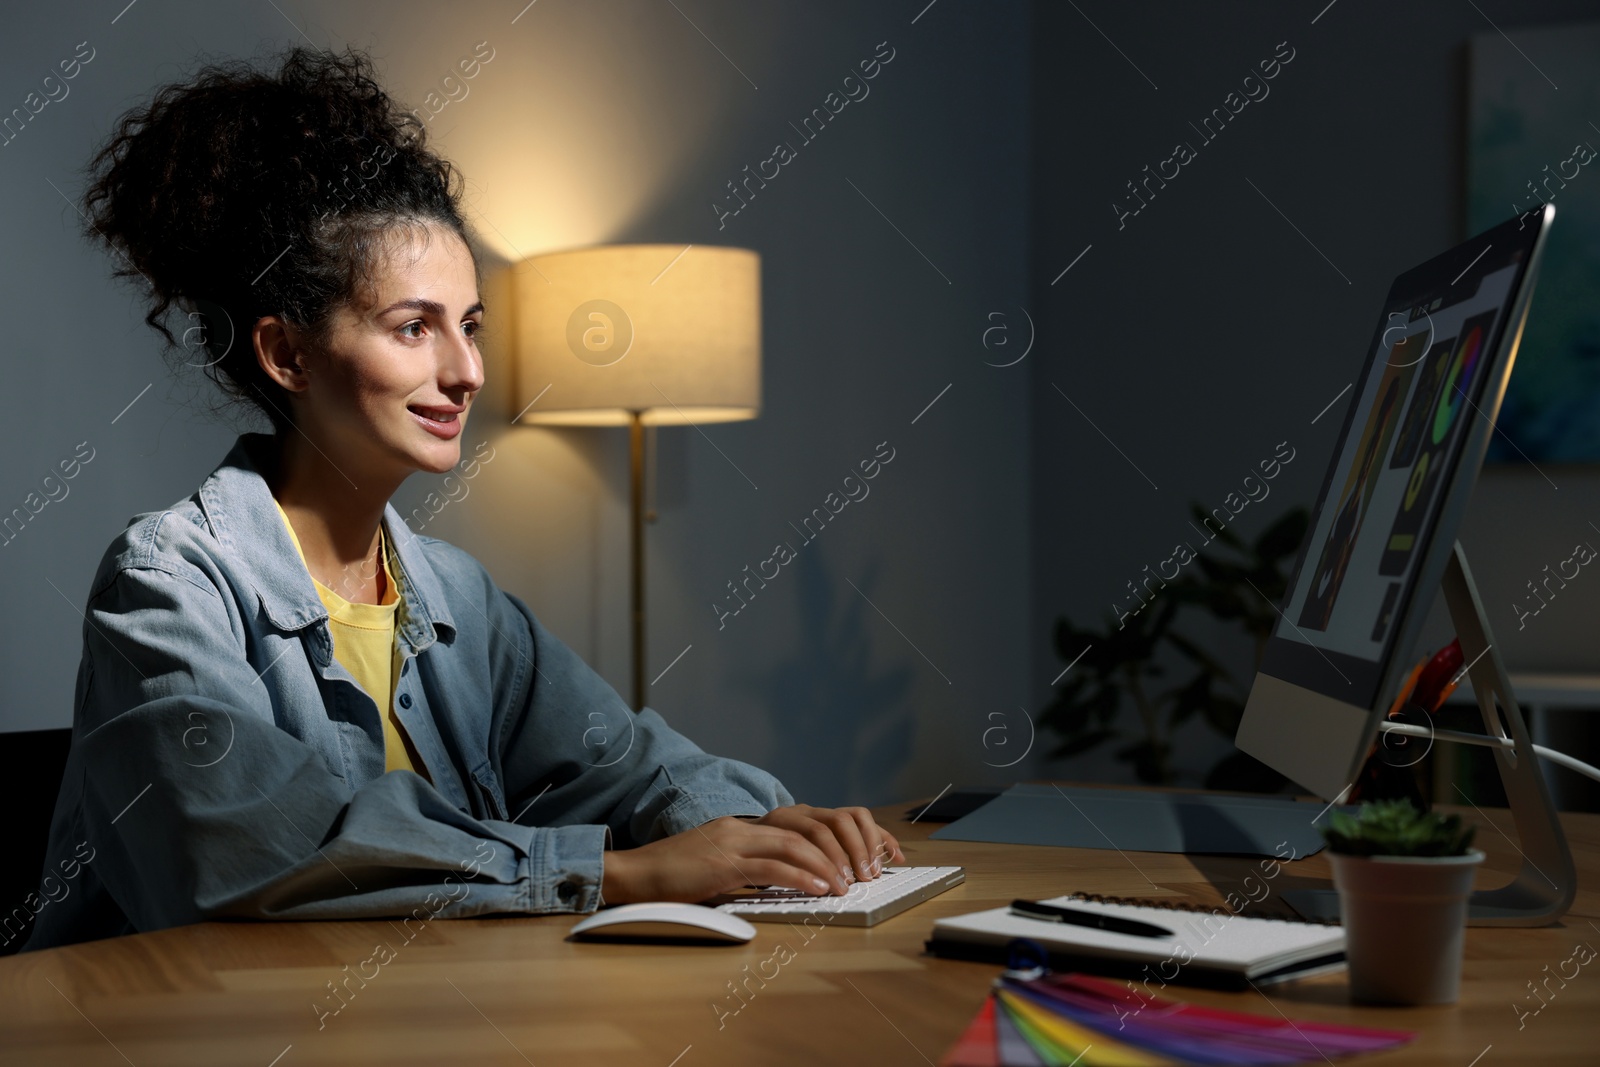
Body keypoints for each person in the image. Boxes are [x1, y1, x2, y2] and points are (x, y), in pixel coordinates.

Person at [19, 46, 901, 953]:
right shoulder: (166, 584)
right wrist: (621, 871)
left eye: (471, 326)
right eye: (414, 328)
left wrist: (772, 837)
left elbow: (633, 763)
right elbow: (244, 852)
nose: (467, 371)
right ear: (288, 355)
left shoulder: (454, 595)